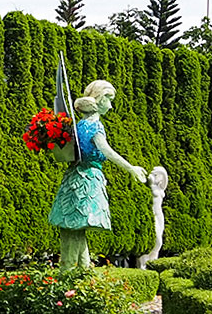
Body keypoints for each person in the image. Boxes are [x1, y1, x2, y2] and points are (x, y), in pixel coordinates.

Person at [49, 80, 147, 271]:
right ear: (100, 99)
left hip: (73, 178)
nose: (110, 106)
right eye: (108, 99)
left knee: (74, 229)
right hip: (88, 179)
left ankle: (82, 273)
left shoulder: (79, 125)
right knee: (75, 229)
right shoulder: (94, 126)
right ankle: (70, 275)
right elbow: (107, 151)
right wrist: (130, 168)